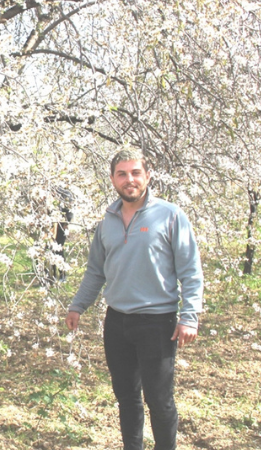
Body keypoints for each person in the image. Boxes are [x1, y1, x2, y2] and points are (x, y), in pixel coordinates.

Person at [65, 147, 203, 450]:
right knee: (126, 398)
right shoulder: (107, 221)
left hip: (157, 323)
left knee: (159, 399)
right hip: (116, 322)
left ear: (148, 175)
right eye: (122, 174)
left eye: (136, 172)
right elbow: (95, 272)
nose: (130, 179)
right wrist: (78, 305)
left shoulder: (170, 215)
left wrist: (189, 316)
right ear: (113, 180)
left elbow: (191, 271)